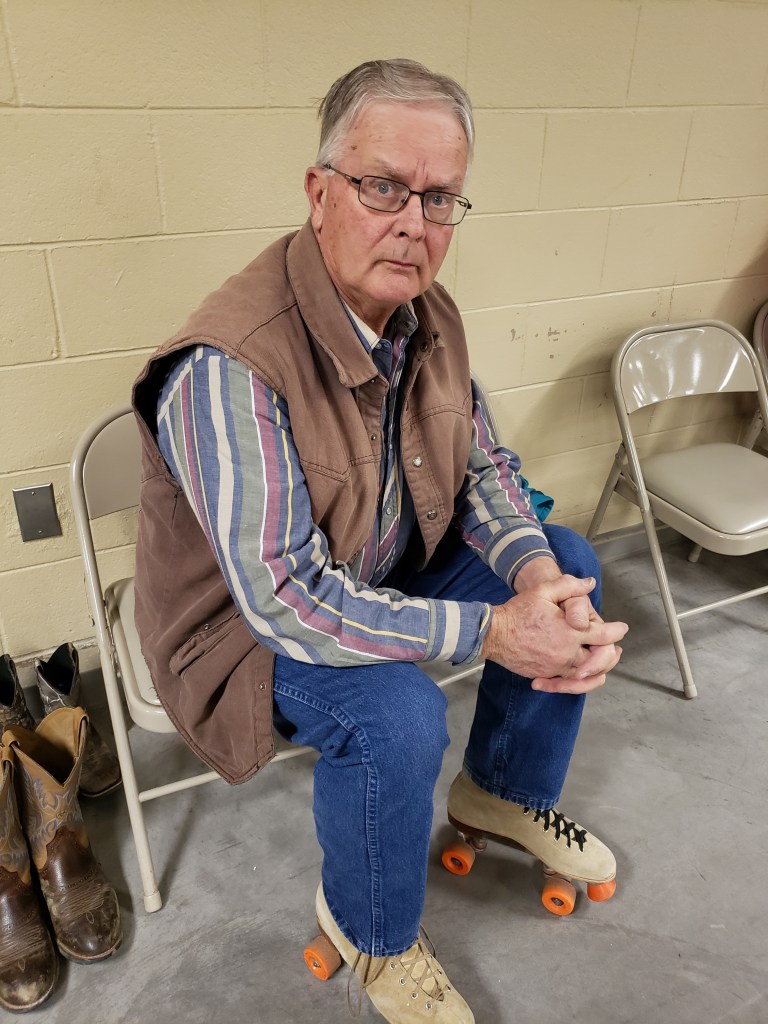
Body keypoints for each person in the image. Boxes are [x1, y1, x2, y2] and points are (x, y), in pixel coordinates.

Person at [132, 59, 628, 1024]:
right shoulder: (229, 366)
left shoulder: (425, 313)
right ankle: (374, 932)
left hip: (379, 559)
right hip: (244, 630)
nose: (414, 222)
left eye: (441, 198)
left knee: (568, 561)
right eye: (384, 187)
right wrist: (494, 633)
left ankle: (498, 793)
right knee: (397, 715)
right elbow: (287, 601)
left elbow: (483, 467)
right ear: (320, 193)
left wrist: (533, 582)